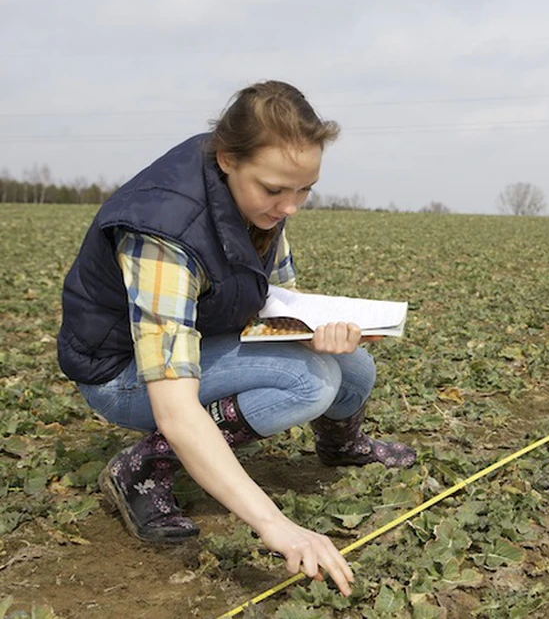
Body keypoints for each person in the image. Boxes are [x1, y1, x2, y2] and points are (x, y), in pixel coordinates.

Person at [57, 80, 416, 596]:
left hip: (205, 331)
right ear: (227, 158)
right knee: (309, 383)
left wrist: (310, 331)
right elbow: (175, 407)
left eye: (305, 189)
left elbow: (276, 298)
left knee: (353, 367)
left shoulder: (255, 200)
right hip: (120, 372)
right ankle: (142, 468)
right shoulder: (165, 234)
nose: (291, 206)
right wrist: (276, 525)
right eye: (275, 190)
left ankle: (341, 447)